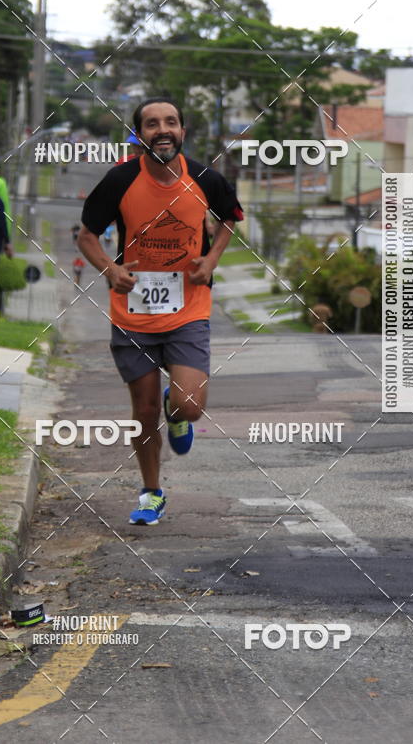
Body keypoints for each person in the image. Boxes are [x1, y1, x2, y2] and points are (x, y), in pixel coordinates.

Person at [78, 98, 243, 525]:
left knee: (189, 405)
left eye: (171, 122)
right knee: (144, 409)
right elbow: (87, 236)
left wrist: (210, 262)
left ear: (183, 132)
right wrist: (110, 269)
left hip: (188, 307)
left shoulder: (205, 178)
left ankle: (179, 411)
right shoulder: (120, 180)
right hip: (133, 312)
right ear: (140, 135)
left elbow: (231, 217)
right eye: (152, 124)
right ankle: (151, 491)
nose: (162, 129)